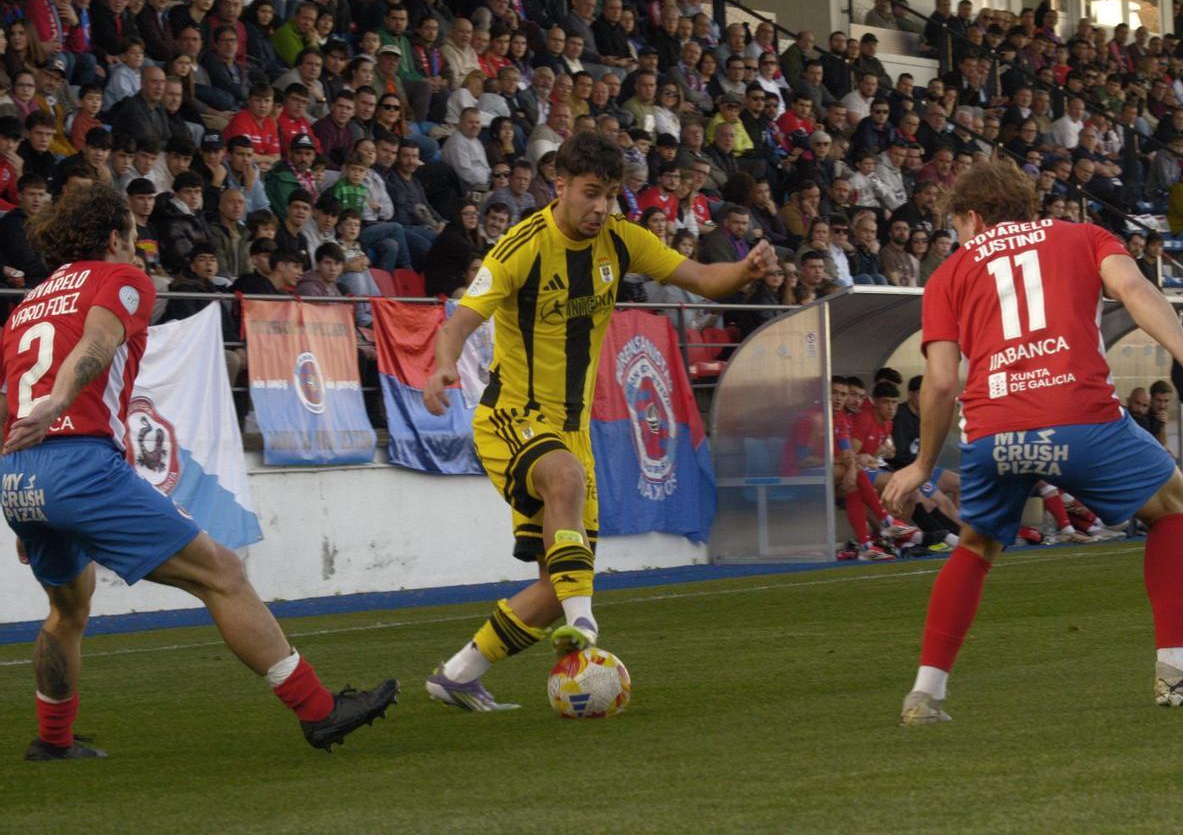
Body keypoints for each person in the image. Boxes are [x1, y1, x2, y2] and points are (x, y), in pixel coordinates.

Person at [6, 184, 397, 760]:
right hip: (78, 463)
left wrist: (22, 507)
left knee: (67, 610)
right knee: (222, 574)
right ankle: (319, 710)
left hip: (18, 473)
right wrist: (60, 403)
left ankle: (54, 741)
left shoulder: (26, 304)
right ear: (114, 237)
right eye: (132, 240)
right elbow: (97, 343)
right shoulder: (118, 281)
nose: (139, 252)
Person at [420, 133, 776, 710]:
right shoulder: (520, 247)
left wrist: (747, 267)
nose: (601, 208)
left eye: (611, 195)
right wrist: (440, 367)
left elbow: (705, 279)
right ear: (558, 185)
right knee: (562, 489)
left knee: (554, 583)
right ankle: (586, 626)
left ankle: (457, 673)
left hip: (573, 431)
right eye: (590, 194)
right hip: (513, 417)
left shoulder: (620, 241)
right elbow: (462, 319)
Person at [882, 158, 1183, 726]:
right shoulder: (1083, 235)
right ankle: (1176, 671)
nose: (958, 235)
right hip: (1082, 418)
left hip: (993, 433)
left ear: (973, 216)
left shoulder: (948, 273)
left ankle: (925, 695)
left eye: (956, 224)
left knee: (976, 547)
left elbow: (942, 381)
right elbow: (1133, 288)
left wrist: (921, 465)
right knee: (1174, 505)